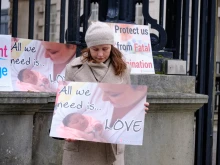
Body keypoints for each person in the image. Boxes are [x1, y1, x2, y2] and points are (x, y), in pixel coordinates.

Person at [63, 21, 149, 165]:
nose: (100, 54)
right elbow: (65, 105)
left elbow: (126, 100)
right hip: (81, 145)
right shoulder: (73, 68)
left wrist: (137, 108)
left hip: (110, 143)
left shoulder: (123, 69)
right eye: (95, 49)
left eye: (105, 48)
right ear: (88, 47)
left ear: (111, 46)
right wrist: (67, 131)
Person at [11, 40, 77, 91]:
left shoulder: (83, 66)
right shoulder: (37, 46)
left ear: (72, 46)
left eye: (53, 52)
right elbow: (12, 76)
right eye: (44, 48)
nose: (45, 55)